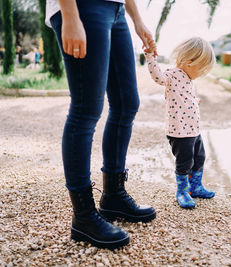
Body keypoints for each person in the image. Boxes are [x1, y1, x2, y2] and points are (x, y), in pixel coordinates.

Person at [45, 0, 157, 249]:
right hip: (83, 7)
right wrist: (70, 15)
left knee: (127, 103)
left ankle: (113, 196)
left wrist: (137, 19)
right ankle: (83, 216)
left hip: (115, 9)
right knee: (86, 108)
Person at [144, 37, 216, 209]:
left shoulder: (188, 80)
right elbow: (158, 77)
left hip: (193, 130)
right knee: (184, 162)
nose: (202, 73)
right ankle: (182, 191)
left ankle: (196, 187)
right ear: (189, 62)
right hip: (179, 132)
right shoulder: (172, 75)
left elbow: (184, 96)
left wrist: (193, 101)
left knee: (199, 157)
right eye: (202, 69)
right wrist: (150, 57)